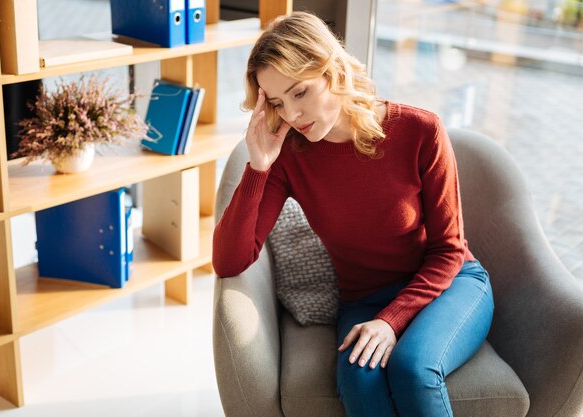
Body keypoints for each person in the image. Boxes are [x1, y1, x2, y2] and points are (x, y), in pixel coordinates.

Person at [212, 11, 494, 417]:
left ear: (333, 71)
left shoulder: (420, 131)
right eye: (276, 102)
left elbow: (449, 249)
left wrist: (392, 320)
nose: (291, 115)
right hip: (364, 299)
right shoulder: (288, 157)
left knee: (412, 368)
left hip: (451, 285)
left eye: (300, 92)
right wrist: (258, 167)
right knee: (359, 380)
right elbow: (228, 261)